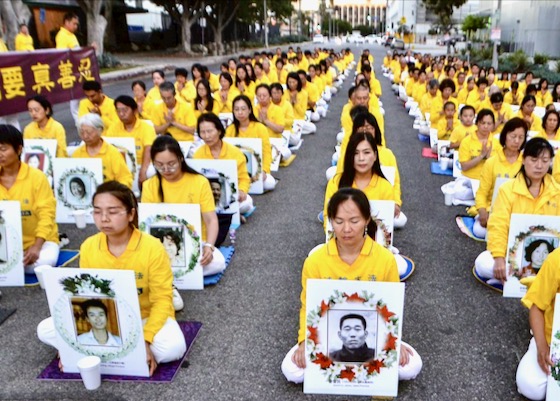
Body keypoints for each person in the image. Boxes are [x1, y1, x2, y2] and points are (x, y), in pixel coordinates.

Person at [37, 181, 187, 375]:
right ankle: (117, 350)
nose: (104, 219)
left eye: (113, 211)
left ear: (131, 214)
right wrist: (70, 348)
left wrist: (146, 340)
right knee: (45, 329)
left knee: (173, 348)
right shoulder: (89, 246)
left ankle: (109, 351)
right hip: (104, 319)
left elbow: (161, 300)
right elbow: (86, 297)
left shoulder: (152, 247)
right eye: (97, 211)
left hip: (144, 316)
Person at [281, 188, 422, 383]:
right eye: (339, 221)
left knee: (411, 366)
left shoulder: (385, 259)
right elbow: (308, 305)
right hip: (325, 336)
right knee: (292, 371)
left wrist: (395, 342)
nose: (346, 229)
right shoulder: (315, 261)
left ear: (366, 220)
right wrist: (304, 341)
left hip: (376, 337)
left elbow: (392, 308)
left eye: (354, 221)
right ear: (330, 221)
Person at [474, 138, 560, 281]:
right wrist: (499, 258)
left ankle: (515, 282)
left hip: (549, 259)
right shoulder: (507, 190)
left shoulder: (557, 192)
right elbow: (498, 225)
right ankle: (536, 285)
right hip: (512, 254)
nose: (539, 166)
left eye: (545, 161)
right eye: (534, 160)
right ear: (523, 159)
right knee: (483, 263)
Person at [141, 135, 226, 277]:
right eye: (160, 165)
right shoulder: (150, 185)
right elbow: (146, 223)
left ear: (181, 158)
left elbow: (211, 220)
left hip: (195, 241)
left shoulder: (199, 182)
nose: (166, 169)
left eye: (171, 163)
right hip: (160, 245)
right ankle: (177, 274)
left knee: (218, 263)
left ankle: (165, 276)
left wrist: (209, 247)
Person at [0, 125, 59, 274]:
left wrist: (37, 246)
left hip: (39, 241)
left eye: (3, 149)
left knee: (44, 263)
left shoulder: (37, 177)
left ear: (19, 149)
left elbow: (47, 213)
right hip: (5, 243)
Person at [473, 117, 527, 239]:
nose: (517, 141)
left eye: (521, 137)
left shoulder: (527, 162)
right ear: (505, 136)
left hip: (517, 212)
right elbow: (482, 192)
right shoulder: (492, 162)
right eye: (513, 136)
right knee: (479, 231)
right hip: (493, 210)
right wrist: (482, 212)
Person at [193, 113, 254, 214]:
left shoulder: (235, 152)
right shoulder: (198, 154)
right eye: (202, 132)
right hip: (206, 198)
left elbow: (244, 178)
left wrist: (242, 191)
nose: (207, 136)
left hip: (230, 195)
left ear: (219, 130)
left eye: (210, 131)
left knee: (247, 203)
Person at [225, 95, 275, 191]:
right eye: (237, 109)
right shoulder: (230, 129)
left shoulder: (260, 128)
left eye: (243, 109)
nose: (240, 112)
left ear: (250, 110)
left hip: (257, 169)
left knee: (270, 183)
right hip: (237, 171)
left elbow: (267, 152)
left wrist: (264, 171)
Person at [106, 95, 156, 188]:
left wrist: (143, 170)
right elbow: (108, 147)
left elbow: (148, 149)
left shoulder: (146, 127)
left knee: (151, 172)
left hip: (141, 164)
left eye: (125, 110)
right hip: (121, 165)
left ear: (135, 110)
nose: (121, 114)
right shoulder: (113, 127)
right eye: (118, 111)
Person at [73, 113, 133, 188]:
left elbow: (125, 178)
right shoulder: (77, 154)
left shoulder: (112, 153)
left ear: (100, 130)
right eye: (82, 132)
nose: (85, 136)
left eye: (89, 132)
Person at [459, 109, 499, 180]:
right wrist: (481, 156)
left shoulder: (497, 143)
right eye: (483, 123)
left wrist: (488, 158)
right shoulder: (467, 141)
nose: (486, 126)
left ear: (493, 125)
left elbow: (499, 168)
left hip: (488, 181)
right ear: (477, 123)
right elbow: (464, 167)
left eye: (489, 124)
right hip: (468, 178)